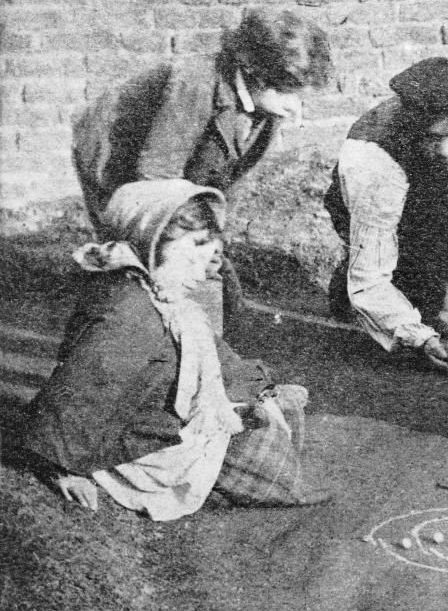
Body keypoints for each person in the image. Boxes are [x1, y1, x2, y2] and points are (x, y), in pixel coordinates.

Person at [14, 179, 325, 520]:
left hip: (159, 408)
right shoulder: (129, 311)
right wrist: (63, 467)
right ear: (151, 242)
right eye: (193, 247)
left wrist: (250, 385)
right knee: (276, 465)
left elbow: (205, 352)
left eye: (208, 249)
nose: (207, 264)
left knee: (282, 401)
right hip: (146, 437)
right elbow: (82, 393)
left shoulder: (158, 295)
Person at [72, 6, 332, 331]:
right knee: (140, 258)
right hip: (116, 156)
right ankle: (123, 335)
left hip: (174, 162)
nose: (296, 110)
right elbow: (154, 178)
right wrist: (180, 243)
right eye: (286, 93)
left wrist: (212, 238)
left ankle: (200, 336)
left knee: (205, 262)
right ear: (254, 74)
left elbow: (227, 181)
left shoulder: (265, 110)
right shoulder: (195, 83)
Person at [324, 57, 448, 374]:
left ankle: (440, 282)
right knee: (414, 318)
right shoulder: (372, 157)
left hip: (439, 197)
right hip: (373, 205)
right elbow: (370, 280)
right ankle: (347, 280)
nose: (446, 149)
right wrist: (419, 337)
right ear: (413, 128)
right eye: (432, 137)